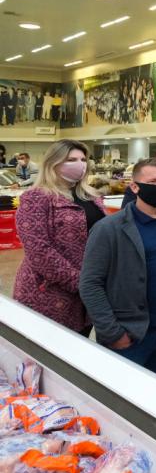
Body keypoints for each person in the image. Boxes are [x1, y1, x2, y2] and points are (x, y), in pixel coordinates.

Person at [79, 158, 156, 379]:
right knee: (121, 395)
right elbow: (90, 283)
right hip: (129, 335)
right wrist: (113, 332)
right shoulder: (109, 228)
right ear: (134, 187)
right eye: (153, 181)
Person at [13, 139, 106, 335]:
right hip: (49, 295)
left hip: (88, 296)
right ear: (53, 163)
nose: (80, 164)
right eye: (71, 160)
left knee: (79, 345)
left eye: (83, 159)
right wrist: (83, 283)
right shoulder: (36, 197)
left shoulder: (92, 197)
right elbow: (39, 251)